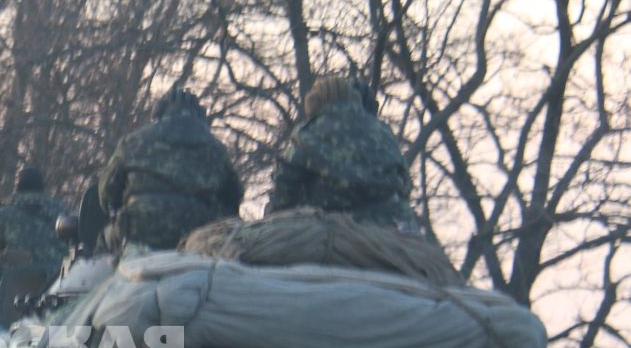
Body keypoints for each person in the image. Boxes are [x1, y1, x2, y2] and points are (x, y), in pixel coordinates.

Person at [98, 88, 242, 255]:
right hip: (197, 238)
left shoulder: (133, 141)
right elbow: (233, 200)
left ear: (159, 115)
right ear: (201, 117)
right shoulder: (217, 150)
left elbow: (107, 192)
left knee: (102, 246)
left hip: (139, 231)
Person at [267, 75, 414, 229]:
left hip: (330, 231)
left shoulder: (306, 136)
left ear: (315, 102)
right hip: (392, 225)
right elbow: (404, 183)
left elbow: (282, 193)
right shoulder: (384, 132)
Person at [0, 165, 69, 279]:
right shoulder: (63, 210)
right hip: (59, 279)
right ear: (42, 186)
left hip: (17, 282)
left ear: (18, 186)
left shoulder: (3, 213)